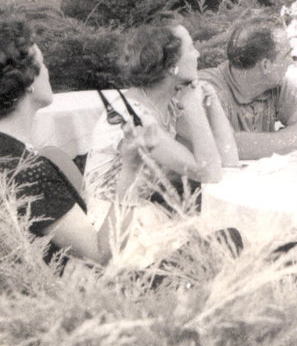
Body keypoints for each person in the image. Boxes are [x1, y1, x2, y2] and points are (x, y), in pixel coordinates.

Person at [0, 17, 143, 266]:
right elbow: (101, 254)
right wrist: (130, 171)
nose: (48, 71)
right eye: (42, 64)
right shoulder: (28, 171)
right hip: (64, 296)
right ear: (27, 80)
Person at [86, 14, 238, 212]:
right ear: (170, 66)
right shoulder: (132, 117)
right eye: (191, 48)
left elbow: (228, 161)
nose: (197, 55)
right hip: (112, 220)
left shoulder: (169, 105)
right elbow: (208, 173)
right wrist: (194, 106)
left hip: (141, 212)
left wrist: (213, 102)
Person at [199, 15, 297, 159]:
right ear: (266, 66)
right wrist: (294, 140)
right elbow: (224, 147)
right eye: (287, 55)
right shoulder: (208, 88)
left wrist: (260, 145)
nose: (291, 61)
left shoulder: (276, 84)